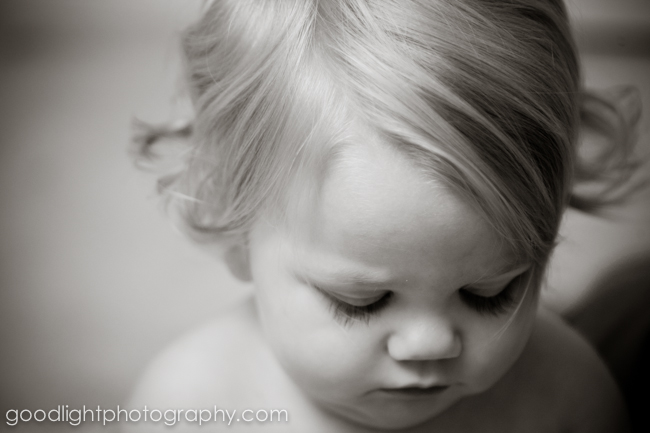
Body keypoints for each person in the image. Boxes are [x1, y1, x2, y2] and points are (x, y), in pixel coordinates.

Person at [127, 0, 640, 431]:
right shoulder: (191, 404)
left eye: (491, 293)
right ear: (233, 225)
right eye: (363, 301)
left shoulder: (564, 392)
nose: (430, 344)